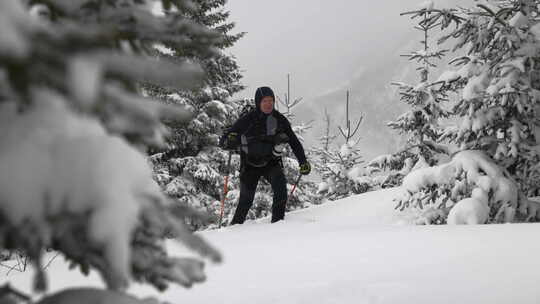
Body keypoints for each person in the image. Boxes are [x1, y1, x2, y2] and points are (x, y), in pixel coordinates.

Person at [220, 86, 311, 224]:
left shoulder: (279, 119)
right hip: (249, 165)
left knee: (280, 189)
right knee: (246, 201)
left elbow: (294, 141)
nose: (268, 104)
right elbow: (223, 141)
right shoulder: (247, 120)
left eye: (271, 101)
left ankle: (278, 224)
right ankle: (234, 230)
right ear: (258, 103)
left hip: (271, 162)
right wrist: (230, 141)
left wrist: (303, 162)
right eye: (265, 101)